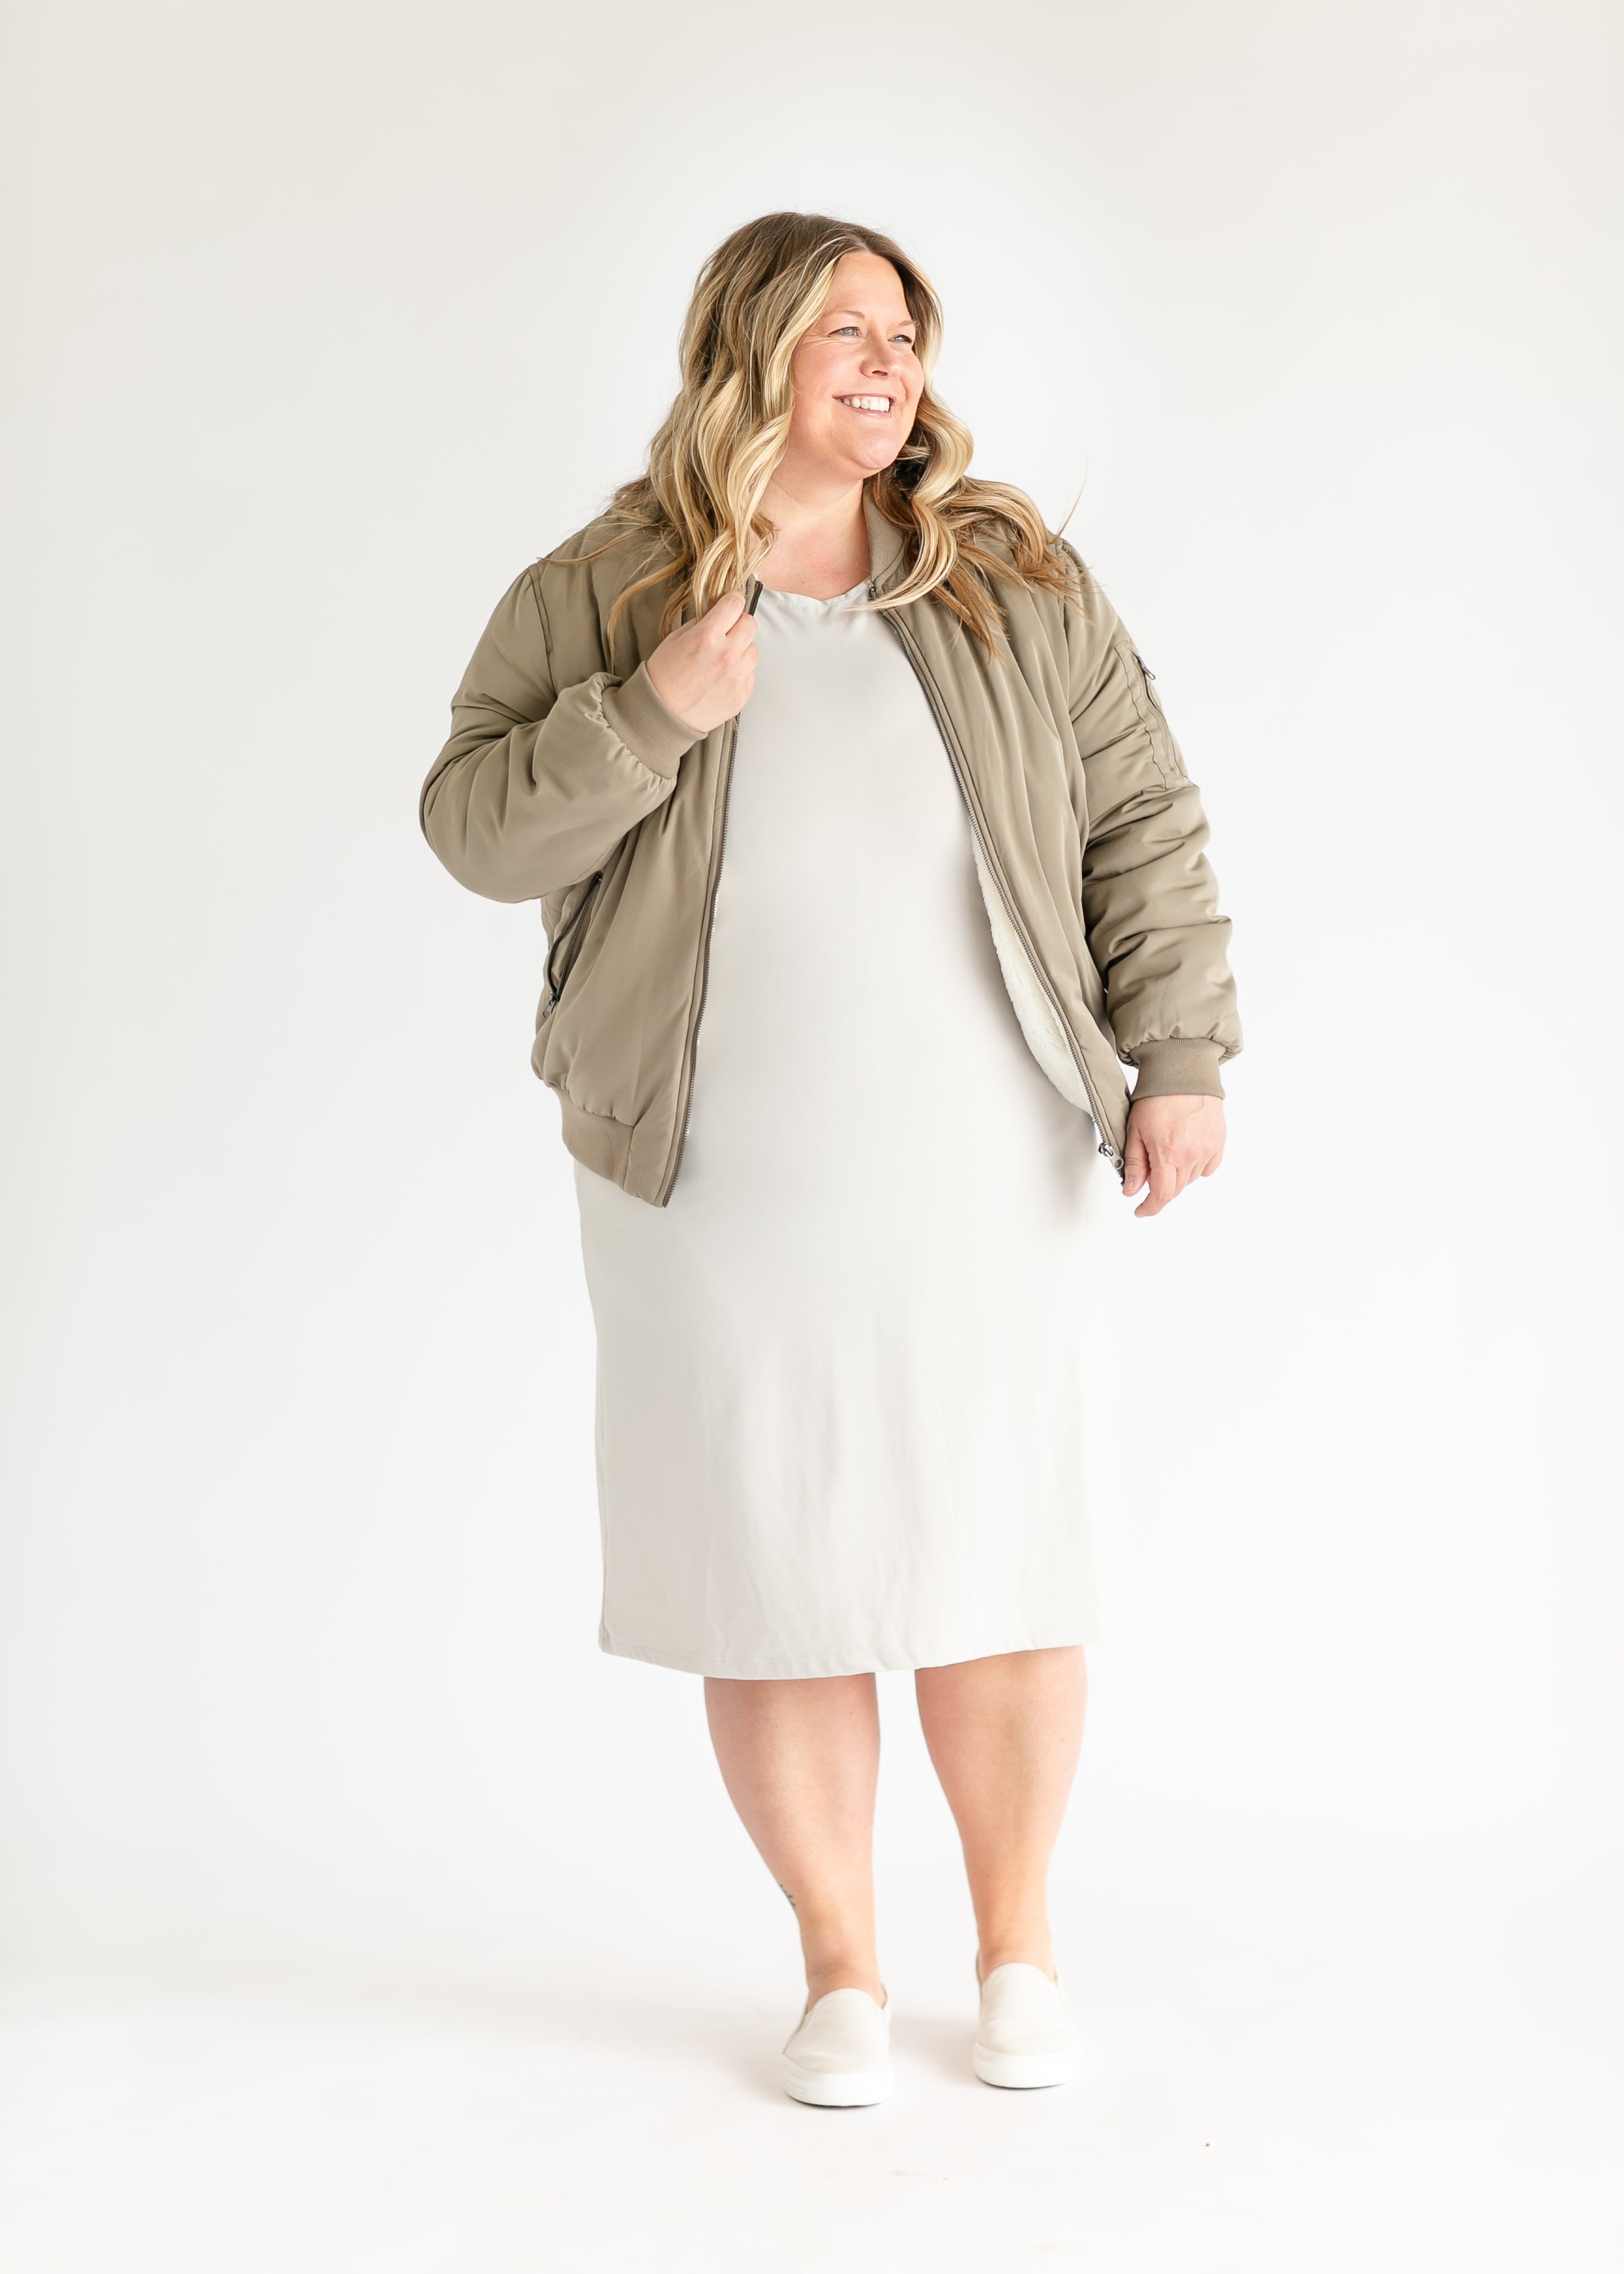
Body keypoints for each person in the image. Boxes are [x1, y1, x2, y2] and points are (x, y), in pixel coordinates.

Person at [419, 211, 1241, 2106]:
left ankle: (1018, 1951)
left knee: (1000, 1544)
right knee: (775, 1558)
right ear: (752, 348)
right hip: (712, 1172)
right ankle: (843, 1973)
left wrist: (1180, 1051)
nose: (890, 364)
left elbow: (1143, 816)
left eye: (906, 333)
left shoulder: (1009, 579)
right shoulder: (607, 588)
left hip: (991, 1155)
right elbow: (473, 829)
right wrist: (650, 714)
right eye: (848, 331)